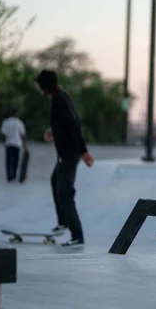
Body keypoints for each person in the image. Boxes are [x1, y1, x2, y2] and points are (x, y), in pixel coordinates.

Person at [36, 70, 94, 248]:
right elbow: (63, 122)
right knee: (55, 181)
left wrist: (84, 151)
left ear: (44, 87)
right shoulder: (60, 97)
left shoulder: (59, 100)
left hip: (70, 153)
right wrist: (52, 131)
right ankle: (63, 221)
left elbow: (74, 123)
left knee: (65, 193)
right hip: (66, 153)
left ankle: (77, 235)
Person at [0, 113, 28, 182]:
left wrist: (3, 142)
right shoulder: (19, 122)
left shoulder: (6, 122)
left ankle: (9, 176)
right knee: (16, 161)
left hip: (9, 144)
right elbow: (23, 135)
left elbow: (3, 133)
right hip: (17, 144)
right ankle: (14, 176)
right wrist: (25, 146)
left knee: (8, 161)